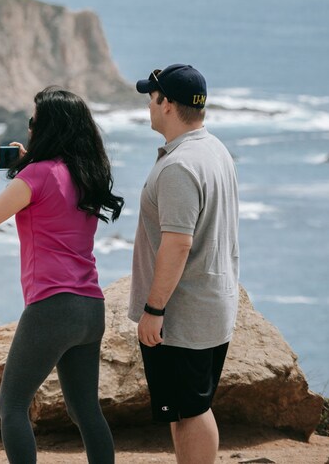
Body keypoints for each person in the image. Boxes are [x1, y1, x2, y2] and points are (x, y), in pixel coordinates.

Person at [0, 86, 123, 464]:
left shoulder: (37, 176)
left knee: (11, 405)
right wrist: (26, 169)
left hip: (52, 308)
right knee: (85, 412)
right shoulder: (86, 173)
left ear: (49, 128)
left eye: (33, 123)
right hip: (91, 308)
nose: (29, 129)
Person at [129, 64, 239, 464]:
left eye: (153, 97)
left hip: (182, 312)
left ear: (169, 104)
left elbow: (177, 244)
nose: (149, 104)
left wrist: (154, 309)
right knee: (188, 406)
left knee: (190, 410)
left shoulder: (178, 166)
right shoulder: (215, 150)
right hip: (211, 302)